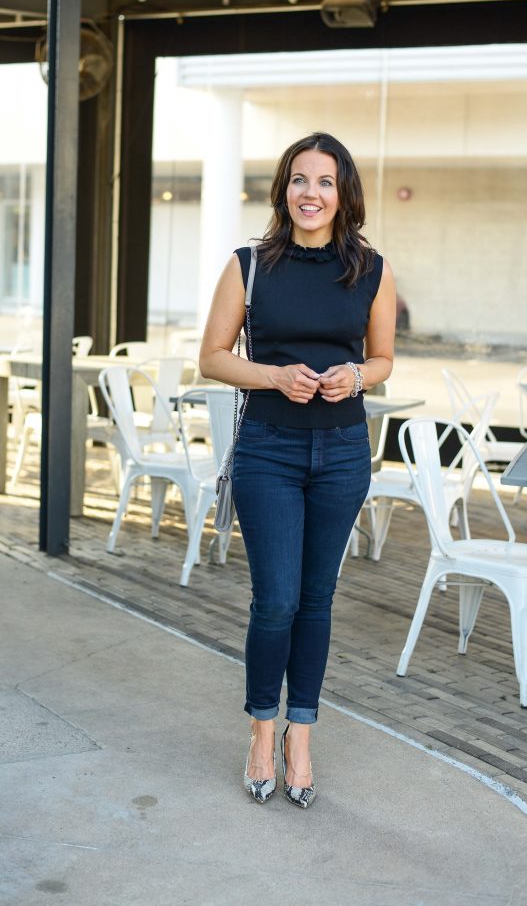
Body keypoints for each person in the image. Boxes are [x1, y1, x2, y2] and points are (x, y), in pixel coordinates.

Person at [199, 132, 396, 808]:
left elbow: (381, 360)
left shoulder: (370, 269)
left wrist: (354, 376)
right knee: (275, 601)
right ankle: (260, 730)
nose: (310, 193)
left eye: (325, 182)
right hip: (268, 451)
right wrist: (275, 376)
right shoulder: (248, 265)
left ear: (344, 194)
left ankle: (300, 737)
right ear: (283, 189)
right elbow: (213, 357)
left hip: (341, 452)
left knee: (316, 601)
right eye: (298, 180)